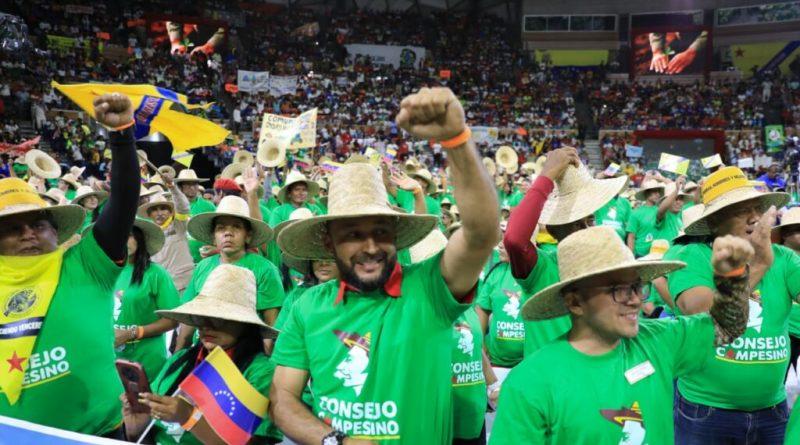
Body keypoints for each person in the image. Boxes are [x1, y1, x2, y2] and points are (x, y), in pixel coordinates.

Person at [269, 87, 500, 445]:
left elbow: (481, 233)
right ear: (329, 243)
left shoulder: (432, 290)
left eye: (381, 231)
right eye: (353, 234)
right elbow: (282, 399)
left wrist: (457, 140)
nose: (371, 247)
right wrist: (337, 442)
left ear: (396, 235)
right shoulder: (306, 307)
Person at [490, 226, 750, 444]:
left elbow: (727, 326)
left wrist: (734, 277)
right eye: (617, 289)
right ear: (575, 302)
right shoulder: (531, 382)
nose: (635, 300)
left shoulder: (658, 340)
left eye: (636, 286)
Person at [0, 93, 139, 436]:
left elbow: (123, 201)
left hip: (102, 432)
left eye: (38, 224)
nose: (28, 234)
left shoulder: (87, 263)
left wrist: (122, 134)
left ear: (55, 231)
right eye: (13, 229)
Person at [667, 166, 798, 444]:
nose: (754, 217)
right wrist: (758, 264)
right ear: (715, 222)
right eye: (740, 210)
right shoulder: (691, 255)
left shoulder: (784, 258)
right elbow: (700, 311)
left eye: (756, 208)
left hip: (772, 411)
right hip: (706, 412)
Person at [121, 264, 283, 445]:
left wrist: (189, 417)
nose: (206, 325)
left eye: (218, 318)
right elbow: (147, 433)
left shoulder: (261, 373)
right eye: (199, 317)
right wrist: (137, 428)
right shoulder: (180, 360)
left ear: (245, 324)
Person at [503, 151, 627, 358]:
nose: (585, 228)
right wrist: (547, 174)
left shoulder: (608, 268)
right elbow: (515, 239)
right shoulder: (542, 269)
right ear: (554, 231)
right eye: (576, 223)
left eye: (590, 220)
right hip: (545, 377)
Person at [175, 195, 283, 350]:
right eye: (221, 228)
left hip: (244, 351)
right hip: (203, 347)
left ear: (248, 236)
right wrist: (178, 356)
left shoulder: (265, 269)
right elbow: (190, 318)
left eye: (236, 227)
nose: (228, 233)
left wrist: (263, 358)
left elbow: (270, 323)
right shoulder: (203, 266)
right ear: (213, 237)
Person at [112, 218, 181, 381]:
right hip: (109, 360)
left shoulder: (156, 274)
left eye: (128, 235)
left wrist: (132, 333)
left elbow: (172, 320)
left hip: (147, 361)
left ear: (139, 239)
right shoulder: (102, 272)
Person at [137, 175, 194, 293]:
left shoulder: (179, 225)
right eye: (154, 210)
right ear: (149, 214)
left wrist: (172, 187)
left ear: (170, 212)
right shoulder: (148, 233)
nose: (159, 213)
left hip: (184, 284)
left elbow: (183, 207)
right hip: (160, 287)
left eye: (163, 208)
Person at [174, 169, 215, 263]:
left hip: (205, 260)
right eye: (188, 184)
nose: (192, 187)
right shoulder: (173, 206)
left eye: (195, 184)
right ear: (180, 187)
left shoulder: (209, 206)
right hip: (180, 261)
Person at [626, 179, 667, 258]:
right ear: (646, 193)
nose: (658, 194)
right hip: (640, 254)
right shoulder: (635, 213)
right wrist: (630, 257)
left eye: (658, 192)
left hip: (659, 253)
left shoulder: (661, 210)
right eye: (654, 191)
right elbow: (631, 237)